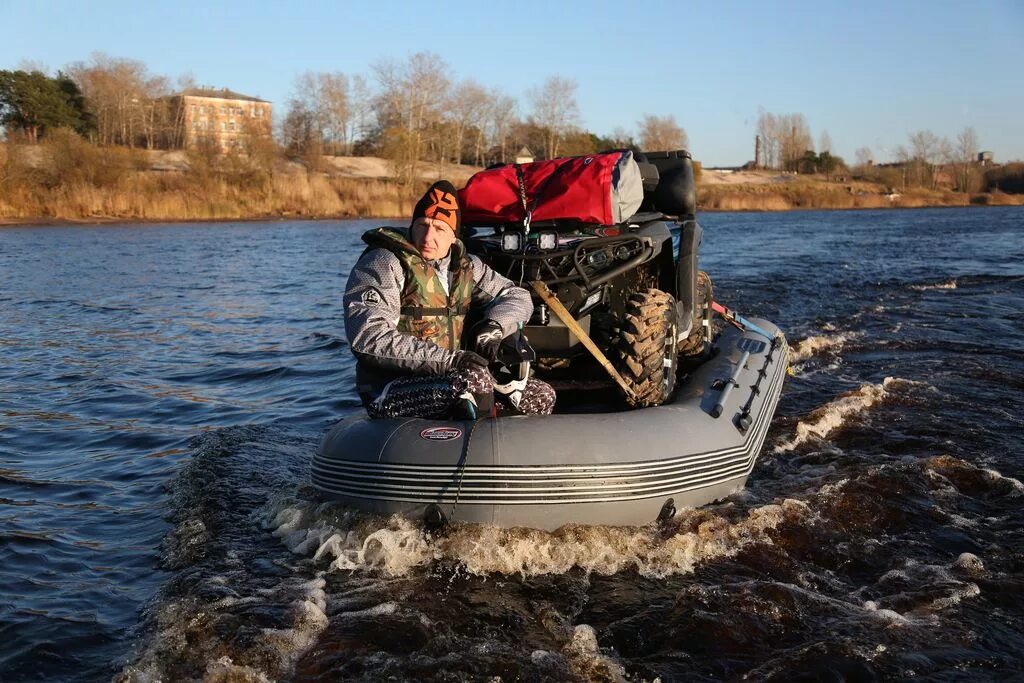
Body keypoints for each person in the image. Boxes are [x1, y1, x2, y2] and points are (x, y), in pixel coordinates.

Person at [343, 180, 556, 419]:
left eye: (440, 229)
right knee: (473, 381)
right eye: (423, 225)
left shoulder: (468, 268)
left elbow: (517, 296)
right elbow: (368, 338)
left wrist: (494, 328)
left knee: (541, 394)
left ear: (454, 237)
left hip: (454, 376)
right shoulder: (383, 263)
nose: (427, 236)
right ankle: (478, 448)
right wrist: (452, 360)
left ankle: (509, 447)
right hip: (389, 389)